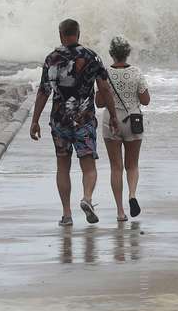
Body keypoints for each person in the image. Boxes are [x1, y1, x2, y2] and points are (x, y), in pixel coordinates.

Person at [30, 18, 119, 226]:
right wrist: (113, 115)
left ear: (61, 35)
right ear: (78, 34)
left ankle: (67, 214)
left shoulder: (51, 59)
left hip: (60, 121)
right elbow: (105, 89)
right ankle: (87, 198)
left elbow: (44, 91)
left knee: (63, 166)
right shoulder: (92, 57)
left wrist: (35, 121)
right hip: (84, 120)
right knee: (88, 166)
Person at [102, 35, 150, 221]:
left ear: (111, 54)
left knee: (116, 168)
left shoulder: (105, 73)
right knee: (132, 165)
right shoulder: (136, 72)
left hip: (111, 122)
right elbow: (145, 100)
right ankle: (132, 195)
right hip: (133, 121)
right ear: (127, 53)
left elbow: (99, 102)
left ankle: (120, 211)